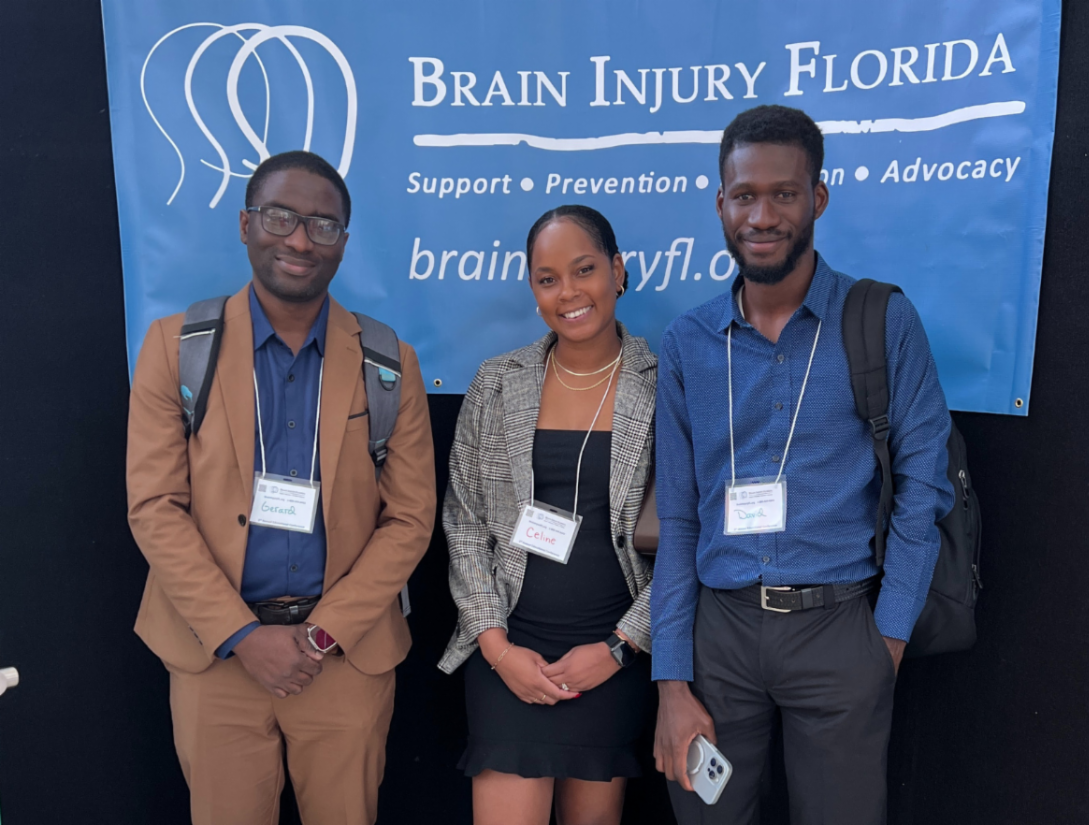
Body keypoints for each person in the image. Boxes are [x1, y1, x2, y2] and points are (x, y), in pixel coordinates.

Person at [651, 105, 955, 824]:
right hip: (717, 638)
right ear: (720, 202)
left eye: (784, 194)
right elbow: (680, 516)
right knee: (706, 814)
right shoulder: (690, 341)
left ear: (817, 198)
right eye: (744, 195)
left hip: (840, 630)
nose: (762, 215)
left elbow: (924, 490)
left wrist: (885, 642)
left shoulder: (880, 319)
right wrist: (670, 679)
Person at [126, 150, 436, 825]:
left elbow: (411, 517)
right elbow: (155, 508)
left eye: (323, 225)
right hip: (216, 658)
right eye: (281, 216)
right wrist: (240, 633)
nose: (300, 239)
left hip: (343, 659)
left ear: (344, 244)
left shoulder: (388, 362)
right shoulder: (176, 347)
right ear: (245, 224)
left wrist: (322, 635)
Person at [438, 205, 657, 825]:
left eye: (584, 269)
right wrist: (497, 645)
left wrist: (618, 648)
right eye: (547, 278)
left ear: (617, 271)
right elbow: (463, 522)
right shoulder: (496, 383)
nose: (569, 293)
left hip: (611, 662)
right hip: (508, 653)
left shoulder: (667, 385)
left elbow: (688, 539)